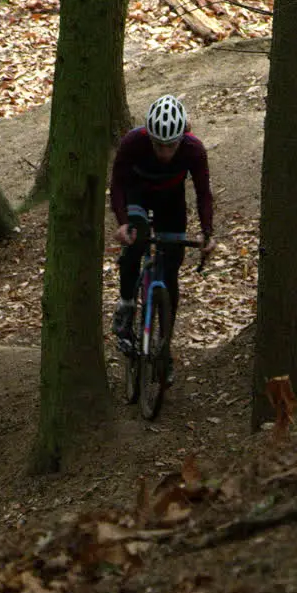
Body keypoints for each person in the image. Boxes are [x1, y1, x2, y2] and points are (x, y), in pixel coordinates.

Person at [109, 94, 216, 383]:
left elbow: (203, 193)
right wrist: (122, 223)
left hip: (171, 201)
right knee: (137, 236)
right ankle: (127, 303)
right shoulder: (133, 143)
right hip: (137, 194)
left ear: (182, 138)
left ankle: (164, 346)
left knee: (170, 272)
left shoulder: (193, 149)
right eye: (158, 144)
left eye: (171, 145)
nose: (164, 152)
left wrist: (207, 233)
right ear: (149, 137)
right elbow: (117, 183)